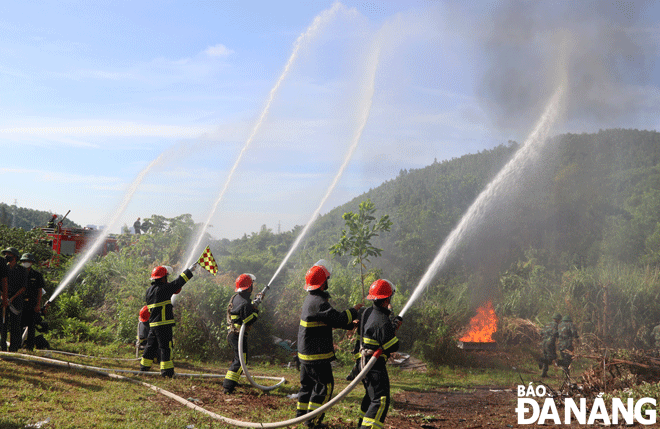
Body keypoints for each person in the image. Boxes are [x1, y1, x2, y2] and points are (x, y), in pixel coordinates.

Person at [295, 260, 362, 428]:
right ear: (323, 283)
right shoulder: (319, 302)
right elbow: (337, 318)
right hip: (316, 355)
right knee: (325, 385)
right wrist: (354, 310)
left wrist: (349, 324)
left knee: (307, 386)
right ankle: (313, 421)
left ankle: (301, 416)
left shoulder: (310, 300)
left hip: (305, 353)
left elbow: (328, 321)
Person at [356, 279, 401, 429]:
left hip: (363, 363)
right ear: (387, 298)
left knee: (371, 397)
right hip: (374, 366)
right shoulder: (382, 321)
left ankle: (361, 425)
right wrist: (392, 328)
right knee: (380, 400)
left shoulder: (368, 312)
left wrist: (391, 327)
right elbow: (393, 345)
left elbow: (379, 335)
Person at [139, 263, 195, 377]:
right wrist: (190, 270)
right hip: (163, 325)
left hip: (153, 325)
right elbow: (179, 282)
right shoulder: (164, 289)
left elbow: (174, 286)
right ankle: (167, 372)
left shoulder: (149, 291)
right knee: (165, 347)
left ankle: (144, 368)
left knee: (150, 347)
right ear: (163, 278)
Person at [222, 273, 261, 394]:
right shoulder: (245, 303)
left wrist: (253, 305)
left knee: (238, 359)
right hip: (238, 335)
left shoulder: (236, 297)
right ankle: (228, 386)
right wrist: (256, 312)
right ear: (249, 288)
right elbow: (248, 320)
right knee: (241, 361)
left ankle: (232, 381)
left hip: (233, 334)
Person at [1, 247, 27, 352]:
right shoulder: (3, 268)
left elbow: (23, 287)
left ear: (15, 257)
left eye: (9, 254)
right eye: (6, 253)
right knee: (2, 324)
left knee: (15, 325)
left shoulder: (22, 270)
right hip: (4, 299)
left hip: (16, 300)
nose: (7, 256)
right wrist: (4, 297)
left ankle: (14, 348)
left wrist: (11, 298)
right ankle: (2, 345)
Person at [19, 253, 44, 351]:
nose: (26, 263)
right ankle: (17, 345)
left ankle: (30, 347)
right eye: (24, 261)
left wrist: (38, 305)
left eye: (28, 261)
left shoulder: (37, 275)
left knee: (31, 326)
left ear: (32, 262)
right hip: (19, 303)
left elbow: (39, 291)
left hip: (32, 304)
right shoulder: (18, 273)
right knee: (19, 325)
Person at [539, 313, 561, 378]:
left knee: (546, 356)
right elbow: (556, 333)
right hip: (550, 343)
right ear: (557, 319)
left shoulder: (547, 324)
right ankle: (541, 361)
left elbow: (541, 332)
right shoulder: (556, 325)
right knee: (552, 357)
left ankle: (544, 373)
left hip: (544, 342)